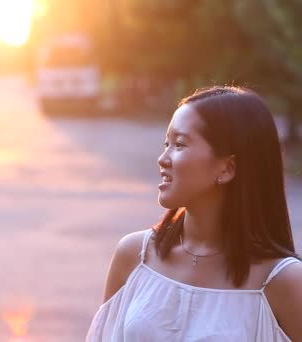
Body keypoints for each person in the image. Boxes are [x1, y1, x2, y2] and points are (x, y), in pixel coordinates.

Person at [86, 86, 302, 341]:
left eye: (179, 144)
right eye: (166, 143)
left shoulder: (285, 282)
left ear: (228, 168)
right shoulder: (135, 256)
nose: (162, 158)